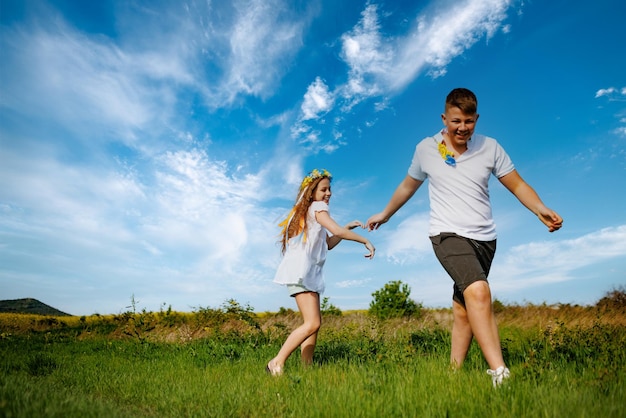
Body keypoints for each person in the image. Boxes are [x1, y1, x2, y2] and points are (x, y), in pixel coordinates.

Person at [366, 88, 563, 387]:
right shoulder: (426, 148)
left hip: (485, 239)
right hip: (446, 235)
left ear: (476, 119)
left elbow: (517, 184)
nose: (462, 128)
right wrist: (386, 213)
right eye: (456, 121)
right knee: (479, 291)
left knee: (463, 308)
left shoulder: (490, 147)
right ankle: (500, 373)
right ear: (444, 118)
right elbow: (408, 186)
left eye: (469, 121)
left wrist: (540, 209)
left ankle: (454, 375)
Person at [267, 168, 375, 376]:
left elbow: (330, 242)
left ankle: (307, 369)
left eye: (329, 190)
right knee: (312, 323)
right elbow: (336, 231)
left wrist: (345, 228)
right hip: (302, 273)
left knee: (314, 325)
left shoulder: (312, 213)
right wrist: (365, 241)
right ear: (312, 192)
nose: (328, 194)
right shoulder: (317, 207)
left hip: (309, 274)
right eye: (324, 189)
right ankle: (276, 362)